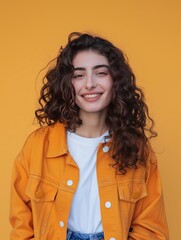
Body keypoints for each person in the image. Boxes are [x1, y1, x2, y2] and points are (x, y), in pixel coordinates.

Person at [10, 32, 169, 240]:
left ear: (116, 81)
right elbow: (22, 226)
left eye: (101, 73)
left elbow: (151, 229)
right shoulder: (38, 145)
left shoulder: (137, 148)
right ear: (67, 83)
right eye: (79, 75)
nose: (90, 84)